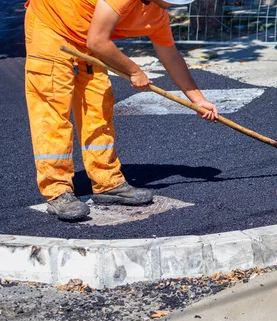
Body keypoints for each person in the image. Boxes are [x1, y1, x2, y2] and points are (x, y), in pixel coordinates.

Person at [24, 0, 219, 221]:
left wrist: (198, 100)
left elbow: (171, 55)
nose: (172, 5)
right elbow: (98, 40)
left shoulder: (158, 14)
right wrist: (134, 71)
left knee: (98, 107)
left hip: (88, 33)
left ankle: (107, 181)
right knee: (52, 109)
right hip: (52, 24)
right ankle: (57, 189)